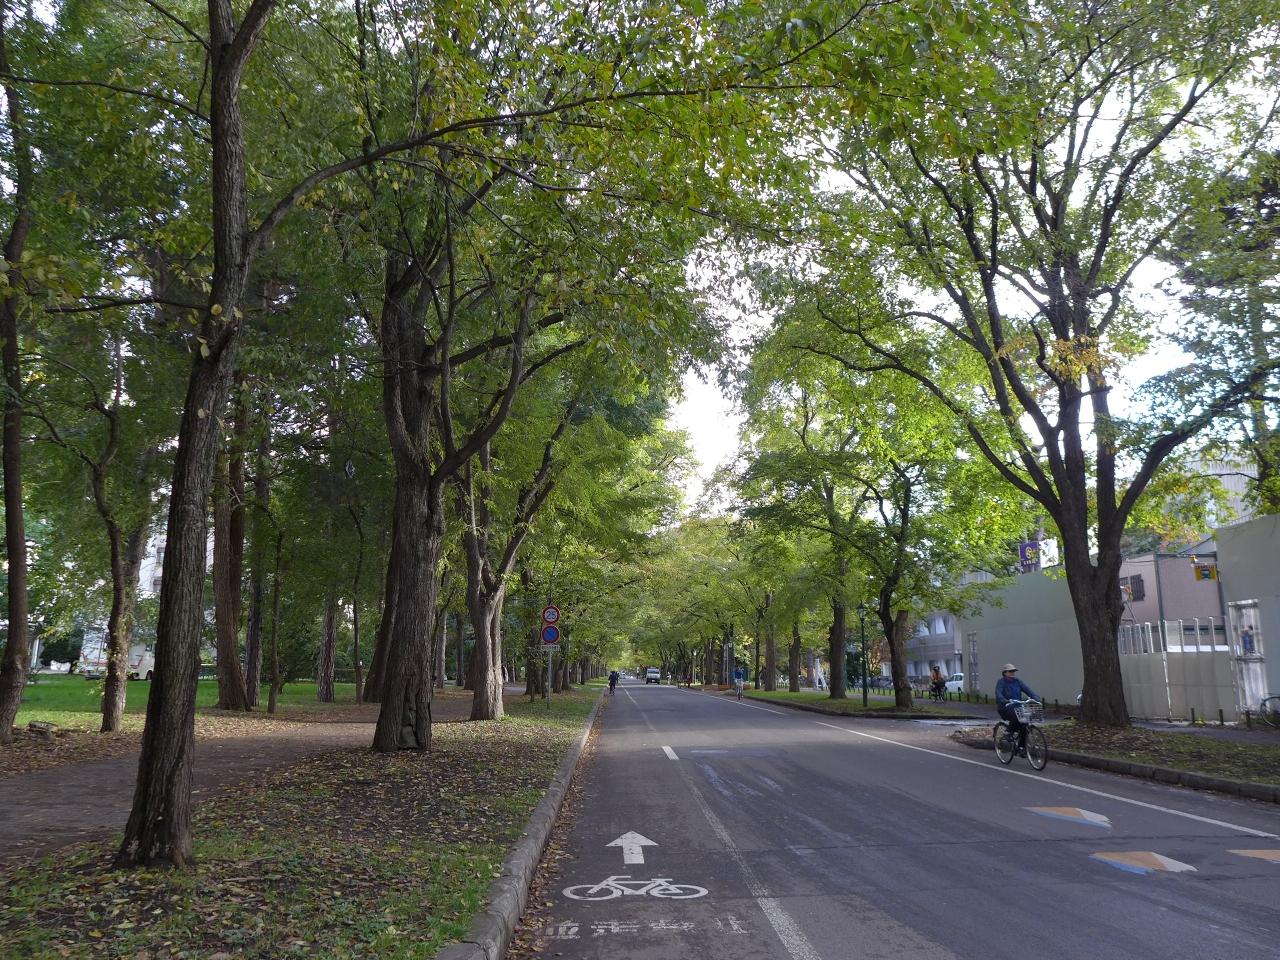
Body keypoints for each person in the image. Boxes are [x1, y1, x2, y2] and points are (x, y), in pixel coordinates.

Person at [996, 664, 1039, 754]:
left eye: (1014, 671)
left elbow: (1027, 690)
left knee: (1024, 724)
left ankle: (1021, 748)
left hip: (1018, 706)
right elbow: (998, 693)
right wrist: (1003, 700)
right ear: (1005, 673)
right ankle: (1008, 732)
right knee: (1016, 714)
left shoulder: (1018, 681)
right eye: (1010, 671)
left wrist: (1035, 698)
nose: (1013, 673)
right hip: (1005, 707)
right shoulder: (1001, 682)